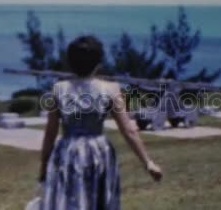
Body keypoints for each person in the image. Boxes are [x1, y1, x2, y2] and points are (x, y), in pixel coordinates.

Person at [38, 35, 162, 209]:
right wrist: (147, 162)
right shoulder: (111, 89)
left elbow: (50, 134)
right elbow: (128, 130)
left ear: (70, 62)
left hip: (67, 152)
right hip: (98, 152)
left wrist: (44, 166)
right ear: (98, 62)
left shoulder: (58, 89)